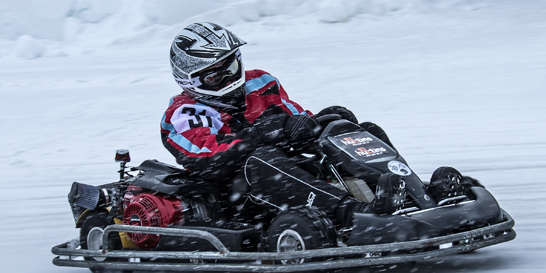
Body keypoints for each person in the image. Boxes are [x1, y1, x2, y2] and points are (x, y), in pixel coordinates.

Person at [161, 22, 400, 222]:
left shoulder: (259, 82)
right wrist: (263, 134)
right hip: (238, 200)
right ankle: (357, 215)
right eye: (215, 75)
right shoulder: (185, 112)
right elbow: (210, 159)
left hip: (288, 171)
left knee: (356, 130)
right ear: (190, 80)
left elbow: (296, 121)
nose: (228, 78)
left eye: (230, 67)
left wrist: (322, 121)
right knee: (262, 160)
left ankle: (411, 194)